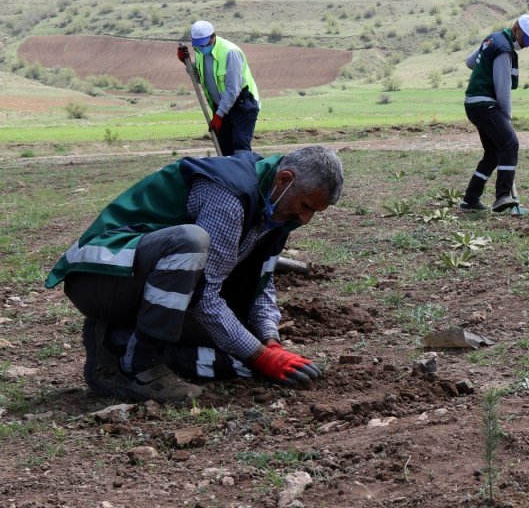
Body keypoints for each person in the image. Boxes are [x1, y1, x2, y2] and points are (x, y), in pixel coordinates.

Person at [45, 146, 344, 402]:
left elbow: (260, 282)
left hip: (143, 285)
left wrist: (269, 340)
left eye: (314, 213)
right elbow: (204, 296)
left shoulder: (275, 211)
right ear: (284, 179)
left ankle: (117, 342)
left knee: (241, 351)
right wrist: (262, 357)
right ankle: (138, 368)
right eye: (305, 206)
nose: (305, 219)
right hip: (100, 280)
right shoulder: (230, 194)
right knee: (190, 242)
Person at [459, 13, 529, 214]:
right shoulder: (504, 50)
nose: (524, 45)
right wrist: (506, 117)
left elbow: (470, 62)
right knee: (510, 143)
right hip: (485, 104)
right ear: (516, 29)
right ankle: (502, 196)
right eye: (524, 40)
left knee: (493, 153)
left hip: (473, 103)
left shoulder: (492, 39)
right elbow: (502, 88)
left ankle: (470, 200)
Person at [176, 20, 261, 153]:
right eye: (199, 45)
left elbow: (233, 89)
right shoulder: (200, 52)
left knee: (240, 147)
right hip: (221, 106)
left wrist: (219, 115)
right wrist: (187, 64)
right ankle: (227, 173)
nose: (202, 48)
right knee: (224, 149)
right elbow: (200, 78)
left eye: (205, 44)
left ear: (213, 36)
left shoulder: (230, 52)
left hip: (242, 104)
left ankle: (243, 173)